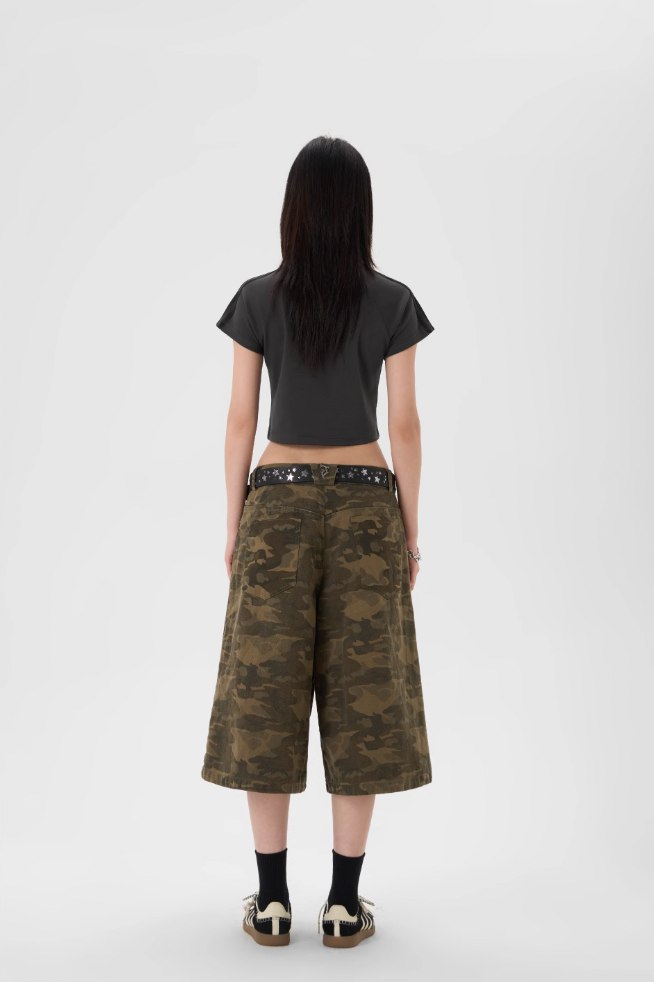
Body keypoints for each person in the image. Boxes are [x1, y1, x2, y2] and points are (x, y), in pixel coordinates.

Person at [201, 135, 434, 949]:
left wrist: (235, 523)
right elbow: (404, 424)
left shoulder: (258, 298)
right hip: (369, 505)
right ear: (360, 211)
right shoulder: (393, 301)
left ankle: (271, 903)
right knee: (363, 698)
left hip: (277, 503)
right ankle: (342, 904)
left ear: (293, 210)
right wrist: (409, 528)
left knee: (265, 697)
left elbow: (240, 421)